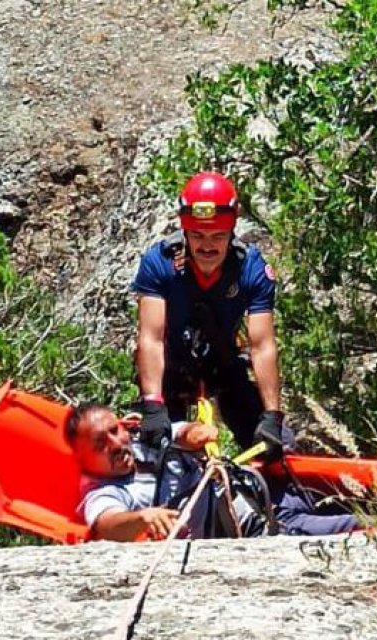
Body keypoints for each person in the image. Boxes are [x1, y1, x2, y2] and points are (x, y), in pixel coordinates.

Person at [129, 171, 357, 536]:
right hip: (171, 368)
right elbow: (151, 337)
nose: (207, 246)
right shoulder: (160, 264)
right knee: (160, 448)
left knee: (275, 443)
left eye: (218, 237)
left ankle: (280, 508)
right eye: (198, 236)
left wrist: (271, 414)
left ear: (231, 232)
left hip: (222, 364)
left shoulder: (250, 268)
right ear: (184, 232)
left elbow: (263, 345)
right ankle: (159, 515)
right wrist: (152, 403)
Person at [65, 402, 269, 541]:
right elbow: (107, 524)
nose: (116, 443)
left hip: (250, 511)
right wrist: (142, 519)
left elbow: (180, 432)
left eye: (115, 430)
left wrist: (194, 432)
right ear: (82, 458)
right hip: (221, 540)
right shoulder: (102, 492)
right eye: (100, 443)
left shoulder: (144, 440)